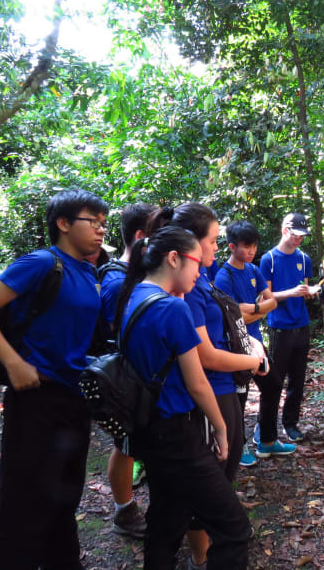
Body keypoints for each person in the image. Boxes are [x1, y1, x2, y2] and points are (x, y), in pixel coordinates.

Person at [0, 189, 109, 569]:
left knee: (65, 496)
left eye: (103, 223)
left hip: (72, 398)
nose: (100, 230)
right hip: (35, 398)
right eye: (91, 221)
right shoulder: (43, 263)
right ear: (63, 224)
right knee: (25, 503)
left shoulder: (89, 272)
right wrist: (13, 362)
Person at [114, 224, 250, 570]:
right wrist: (221, 428)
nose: (200, 270)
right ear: (173, 259)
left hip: (148, 430)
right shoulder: (173, 309)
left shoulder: (133, 297)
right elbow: (197, 383)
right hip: (178, 433)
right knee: (233, 527)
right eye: (195, 263)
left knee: (165, 517)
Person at [157, 204, 264, 569]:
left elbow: (230, 316)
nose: (218, 248)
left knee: (218, 477)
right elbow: (205, 355)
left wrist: (252, 340)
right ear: (190, 243)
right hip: (212, 391)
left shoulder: (203, 276)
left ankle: (200, 553)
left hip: (225, 388)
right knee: (211, 484)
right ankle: (201, 556)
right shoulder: (185, 290)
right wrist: (253, 361)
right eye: (214, 241)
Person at [99, 202, 155, 539]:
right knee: (125, 445)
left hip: (145, 380)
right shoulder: (117, 281)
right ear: (140, 237)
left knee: (133, 444)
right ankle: (125, 510)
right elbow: (117, 332)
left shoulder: (137, 274)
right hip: (128, 381)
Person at [214, 220, 278, 467]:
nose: (251, 251)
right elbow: (230, 315)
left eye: (254, 246)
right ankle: (237, 447)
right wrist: (258, 308)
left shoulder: (253, 270)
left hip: (257, 344)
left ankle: (267, 439)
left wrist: (250, 310)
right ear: (232, 246)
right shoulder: (224, 276)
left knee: (272, 385)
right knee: (238, 400)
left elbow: (271, 301)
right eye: (246, 246)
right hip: (235, 347)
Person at [256, 212, 316, 452]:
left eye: (302, 236)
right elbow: (265, 296)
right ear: (284, 231)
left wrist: (309, 291)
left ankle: (291, 423)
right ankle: (265, 428)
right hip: (279, 325)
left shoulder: (304, 258)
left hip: (301, 323)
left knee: (298, 379)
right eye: (295, 235)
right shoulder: (269, 259)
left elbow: (305, 286)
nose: (299, 240)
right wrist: (291, 292)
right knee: (274, 380)